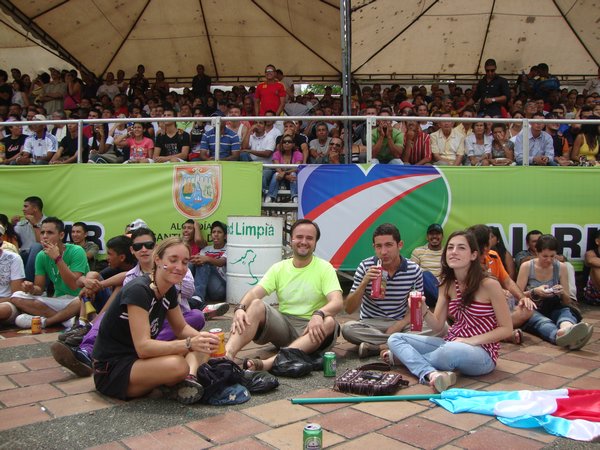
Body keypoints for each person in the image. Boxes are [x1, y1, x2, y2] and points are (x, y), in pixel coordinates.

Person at [91, 237, 219, 403]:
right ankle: (178, 380)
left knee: (200, 346)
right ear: (157, 259)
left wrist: (205, 340)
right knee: (178, 364)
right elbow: (143, 347)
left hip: (139, 362)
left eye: (185, 262)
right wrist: (189, 343)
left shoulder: (169, 289)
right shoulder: (139, 290)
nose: (180, 267)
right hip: (112, 370)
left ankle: (189, 381)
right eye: (173, 260)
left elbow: (180, 328)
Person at [386, 230, 512, 392]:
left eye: (461, 248)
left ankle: (405, 359)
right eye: (450, 247)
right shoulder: (447, 284)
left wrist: (471, 341)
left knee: (448, 352)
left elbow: (506, 329)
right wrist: (423, 310)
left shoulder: (489, 285)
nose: (453, 252)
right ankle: (431, 374)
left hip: (482, 352)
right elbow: (438, 326)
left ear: (474, 255)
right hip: (451, 342)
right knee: (395, 339)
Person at [225, 219, 343, 371]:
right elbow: (255, 292)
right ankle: (226, 356)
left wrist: (319, 313)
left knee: (330, 322)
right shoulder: (279, 268)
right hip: (285, 326)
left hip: (313, 330)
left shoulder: (325, 268)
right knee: (255, 304)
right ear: (291, 240)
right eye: (299, 237)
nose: (304, 241)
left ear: (315, 243)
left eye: (309, 238)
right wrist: (240, 308)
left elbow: (337, 302)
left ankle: (269, 363)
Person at [342, 223, 440, 358]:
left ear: (399, 245)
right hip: (371, 324)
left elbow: (417, 308)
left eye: (388, 245)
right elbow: (348, 309)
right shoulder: (365, 266)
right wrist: (364, 283)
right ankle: (398, 342)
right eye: (379, 246)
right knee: (348, 329)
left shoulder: (413, 269)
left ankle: (377, 347)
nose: (383, 252)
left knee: (438, 328)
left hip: (400, 323)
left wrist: (399, 325)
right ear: (374, 248)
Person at [516, 234, 593, 350]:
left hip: (555, 305)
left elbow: (567, 301)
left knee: (566, 312)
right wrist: (535, 291)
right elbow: (517, 295)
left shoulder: (561, 267)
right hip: (533, 308)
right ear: (537, 252)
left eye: (552, 256)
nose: (549, 260)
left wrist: (561, 292)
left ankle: (567, 329)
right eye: (545, 256)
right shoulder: (527, 266)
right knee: (541, 322)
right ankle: (561, 336)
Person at [10, 217, 89, 329]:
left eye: (50, 233)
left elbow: (74, 285)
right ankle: (66, 320)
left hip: (78, 299)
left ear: (61, 235)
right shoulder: (41, 255)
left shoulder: (77, 251)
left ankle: (47, 321)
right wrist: (31, 288)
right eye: (42, 232)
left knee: (79, 302)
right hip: (59, 301)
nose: (45, 236)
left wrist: (57, 258)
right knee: (16, 296)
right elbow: (39, 289)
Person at [189, 221, 228, 311]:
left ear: (225, 236)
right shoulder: (206, 249)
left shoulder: (229, 248)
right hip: (206, 289)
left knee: (205, 262)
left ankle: (197, 298)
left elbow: (222, 262)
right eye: (214, 232)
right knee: (193, 263)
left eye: (219, 232)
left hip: (220, 288)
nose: (216, 234)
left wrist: (207, 259)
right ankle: (183, 294)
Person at [13, 196, 45, 282]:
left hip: (42, 256)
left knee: (36, 246)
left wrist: (35, 224)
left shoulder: (49, 223)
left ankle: (28, 282)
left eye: (26, 206)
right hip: (22, 257)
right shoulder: (20, 224)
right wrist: (11, 225)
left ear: (35, 208)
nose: (23, 209)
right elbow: (11, 242)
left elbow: (42, 243)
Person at [410, 224, 444, 308]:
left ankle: (441, 301)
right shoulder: (418, 251)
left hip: (442, 288)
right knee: (425, 274)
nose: (434, 236)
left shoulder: (447, 253)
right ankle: (442, 303)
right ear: (427, 237)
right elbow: (411, 273)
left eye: (437, 233)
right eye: (431, 234)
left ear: (442, 237)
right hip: (424, 291)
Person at [0, 224, 26, 327]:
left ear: (1, 238)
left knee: (2, 309)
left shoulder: (13, 258)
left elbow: (16, 295)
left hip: (8, 303)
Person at [265, 134, 302, 203]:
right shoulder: (277, 153)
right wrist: (285, 176)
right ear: (282, 144)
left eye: (289, 141)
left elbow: (297, 168)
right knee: (276, 174)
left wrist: (284, 173)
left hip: (291, 179)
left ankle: (295, 197)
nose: (286, 143)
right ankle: (270, 197)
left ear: (293, 144)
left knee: (293, 173)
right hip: (279, 179)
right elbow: (277, 167)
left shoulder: (298, 154)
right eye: (284, 142)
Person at [583, 229, 600, 306]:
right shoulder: (590, 253)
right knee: (596, 267)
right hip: (594, 293)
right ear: (597, 241)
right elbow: (591, 261)